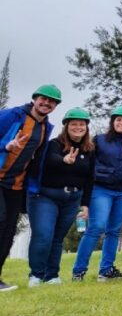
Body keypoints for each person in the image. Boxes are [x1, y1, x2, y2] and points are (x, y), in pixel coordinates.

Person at [0, 83, 61, 293]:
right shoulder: (12, 115)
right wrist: (5, 146)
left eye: (52, 102)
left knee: (9, 232)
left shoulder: (45, 127)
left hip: (15, 185)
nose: (47, 103)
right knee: (0, 222)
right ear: (34, 99)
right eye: (43, 99)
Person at [72, 105, 122, 282]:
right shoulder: (99, 140)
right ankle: (78, 271)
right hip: (101, 189)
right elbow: (88, 164)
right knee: (96, 227)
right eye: (118, 120)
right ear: (112, 122)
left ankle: (106, 270)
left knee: (114, 231)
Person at [27, 107, 95, 286]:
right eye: (74, 124)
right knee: (43, 235)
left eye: (82, 124)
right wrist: (64, 160)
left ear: (86, 127)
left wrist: (85, 204)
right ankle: (36, 275)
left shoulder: (89, 150)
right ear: (66, 126)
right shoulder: (54, 145)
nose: (78, 127)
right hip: (46, 196)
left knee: (58, 238)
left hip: (72, 199)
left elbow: (90, 178)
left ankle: (52, 276)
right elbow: (50, 159)